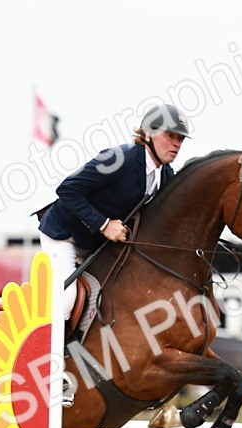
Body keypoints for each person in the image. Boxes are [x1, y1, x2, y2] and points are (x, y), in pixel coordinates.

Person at [36, 102, 192, 317]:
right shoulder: (118, 159)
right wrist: (104, 224)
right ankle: (49, 350)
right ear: (147, 134)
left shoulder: (164, 175)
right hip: (65, 235)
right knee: (66, 300)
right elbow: (68, 189)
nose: (176, 144)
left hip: (98, 245)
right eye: (170, 136)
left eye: (180, 139)